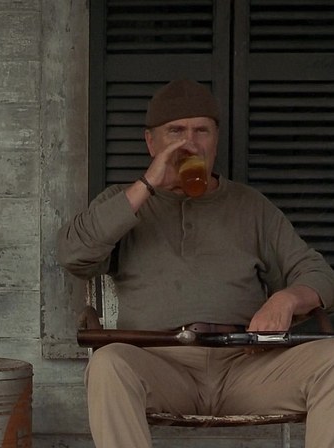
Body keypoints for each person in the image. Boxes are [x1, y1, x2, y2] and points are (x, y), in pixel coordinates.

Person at [57, 79, 334, 447]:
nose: (190, 143)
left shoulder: (251, 206)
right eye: (176, 131)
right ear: (151, 142)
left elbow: (319, 274)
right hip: (160, 364)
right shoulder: (122, 202)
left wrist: (287, 299)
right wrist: (148, 184)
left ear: (215, 140)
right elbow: (74, 254)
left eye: (201, 131)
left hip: (246, 366)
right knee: (107, 365)